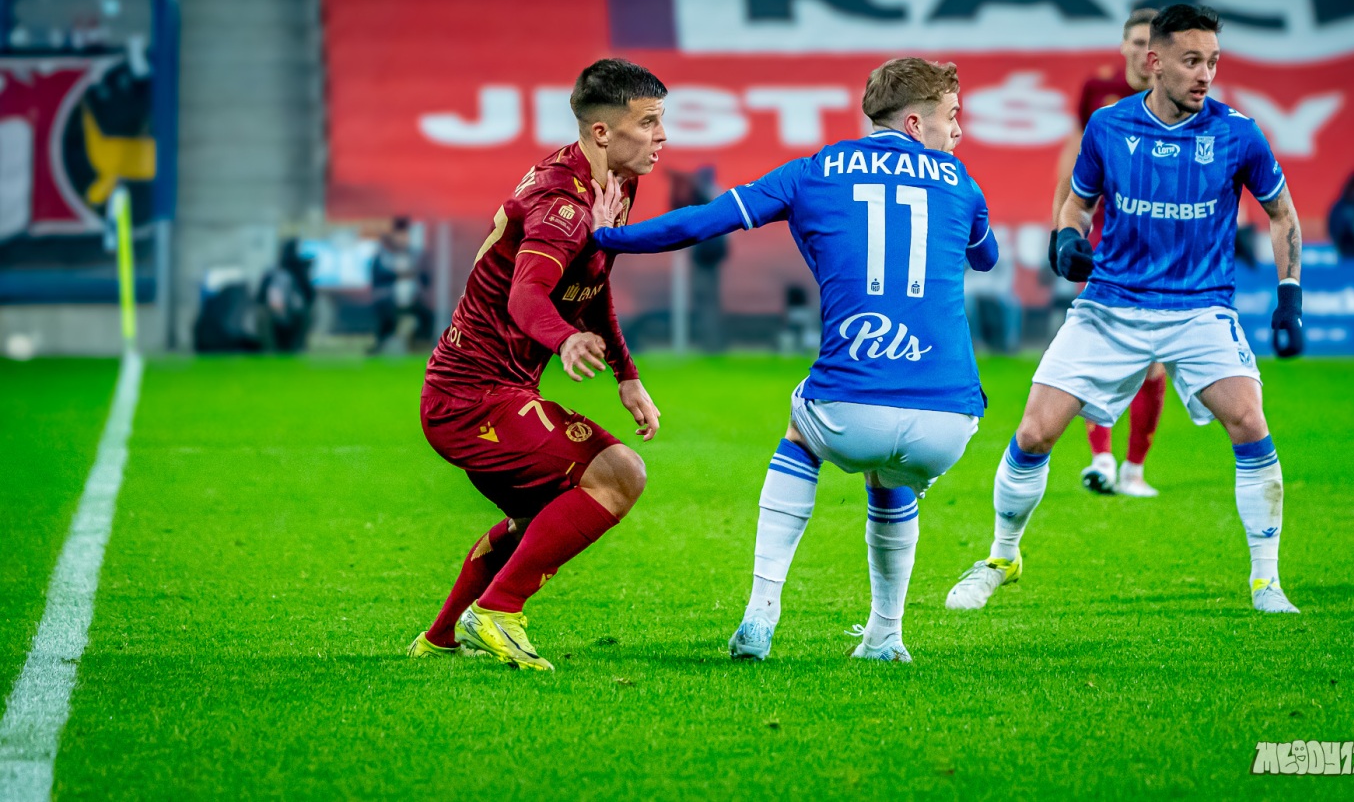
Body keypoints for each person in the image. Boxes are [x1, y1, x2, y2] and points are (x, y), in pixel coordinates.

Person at [591, 58, 999, 663]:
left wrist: (609, 235)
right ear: (915, 124)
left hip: (850, 408)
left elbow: (704, 222)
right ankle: (886, 636)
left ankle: (761, 612)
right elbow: (986, 258)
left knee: (803, 433)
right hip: (948, 420)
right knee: (891, 477)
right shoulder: (961, 181)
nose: (958, 131)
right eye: (952, 116)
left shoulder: (814, 170)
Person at [946, 4, 1306, 616]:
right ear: (1154, 61)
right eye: (1192, 61)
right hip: (1111, 305)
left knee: (1250, 422)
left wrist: (1289, 295)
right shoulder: (1108, 127)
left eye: (1213, 61)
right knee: (1033, 432)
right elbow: (1076, 204)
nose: (1205, 75)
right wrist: (1067, 238)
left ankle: (1266, 582)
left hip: (1199, 310)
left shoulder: (1238, 133)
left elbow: (1282, 214)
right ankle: (1002, 559)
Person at [407, 59, 666, 671]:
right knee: (620, 474)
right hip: (473, 398)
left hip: (490, 390)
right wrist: (564, 340)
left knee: (538, 518)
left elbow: (591, 283)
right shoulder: (561, 205)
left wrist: (626, 374)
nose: (662, 136)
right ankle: (498, 611)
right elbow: (527, 296)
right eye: (648, 122)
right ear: (602, 132)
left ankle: (442, 637)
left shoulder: (611, 183)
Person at [1050, 8, 1165, 498]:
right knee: (1100, 346)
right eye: (1136, 42)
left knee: (1153, 361)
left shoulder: (1180, 98)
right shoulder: (1100, 94)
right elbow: (1074, 156)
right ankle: (1101, 459)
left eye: (1151, 43)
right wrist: (1060, 227)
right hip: (1106, 241)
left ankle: (1134, 469)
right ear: (1124, 46)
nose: (1143, 52)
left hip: (1163, 247)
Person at [367, 217, 432, 354]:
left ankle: (421, 342)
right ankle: (382, 342)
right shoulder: (383, 255)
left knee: (427, 311)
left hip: (414, 297)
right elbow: (377, 278)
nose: (402, 238)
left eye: (405, 235)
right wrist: (399, 274)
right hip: (388, 296)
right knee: (385, 310)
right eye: (399, 235)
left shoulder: (416, 255)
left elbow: (426, 278)